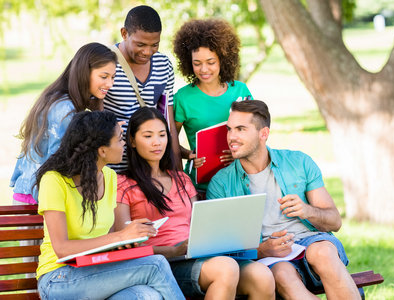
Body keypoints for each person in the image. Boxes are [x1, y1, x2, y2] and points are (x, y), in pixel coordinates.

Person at [115, 107, 274, 299]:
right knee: (226, 268)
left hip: (198, 256)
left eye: (162, 135)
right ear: (132, 140)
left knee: (262, 276)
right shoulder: (123, 184)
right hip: (162, 264)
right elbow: (124, 244)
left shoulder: (182, 179)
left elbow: (200, 223)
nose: (157, 142)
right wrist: (174, 250)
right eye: (148, 136)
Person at [207, 100, 361, 300]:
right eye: (229, 130)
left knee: (324, 252)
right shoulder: (221, 184)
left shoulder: (298, 162)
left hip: (311, 241)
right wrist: (262, 250)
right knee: (281, 274)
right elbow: (221, 247)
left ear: (263, 134)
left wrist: (307, 210)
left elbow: (335, 222)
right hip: (271, 255)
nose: (231, 137)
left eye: (241, 129)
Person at [35, 110, 184, 300]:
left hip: (95, 270)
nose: (124, 144)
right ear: (102, 150)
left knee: (145, 296)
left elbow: (109, 238)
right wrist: (120, 236)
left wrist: (128, 238)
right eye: (120, 139)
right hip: (58, 278)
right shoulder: (54, 181)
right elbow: (61, 248)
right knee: (156, 265)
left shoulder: (110, 177)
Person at [10, 42, 116, 204]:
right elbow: (60, 164)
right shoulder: (64, 109)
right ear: (84, 72)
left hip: (33, 194)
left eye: (112, 77)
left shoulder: (62, 98)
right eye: (104, 76)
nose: (110, 84)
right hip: (37, 200)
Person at [173, 18, 252, 192]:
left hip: (240, 180)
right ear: (188, 61)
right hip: (202, 185)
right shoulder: (183, 98)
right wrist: (189, 155)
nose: (204, 69)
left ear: (223, 59)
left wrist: (240, 152)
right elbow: (170, 141)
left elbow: (255, 133)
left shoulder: (240, 91)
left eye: (211, 62)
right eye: (197, 63)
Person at [104, 5, 181, 171]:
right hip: (115, 169)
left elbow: (167, 120)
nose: (147, 52)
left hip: (151, 168)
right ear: (124, 33)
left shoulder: (163, 65)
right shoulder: (105, 64)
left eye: (154, 45)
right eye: (140, 44)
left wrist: (176, 169)